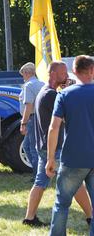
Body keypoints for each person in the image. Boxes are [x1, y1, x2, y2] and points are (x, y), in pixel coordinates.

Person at [22, 61, 92, 227]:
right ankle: (91, 216)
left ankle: (29, 217)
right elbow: (67, 117)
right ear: (53, 74)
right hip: (54, 149)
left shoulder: (44, 91)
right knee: (75, 183)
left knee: (40, 182)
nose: (67, 76)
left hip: (44, 147)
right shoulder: (52, 95)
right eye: (64, 74)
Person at [46, 55, 94, 235]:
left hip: (72, 159)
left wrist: (50, 158)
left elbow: (53, 127)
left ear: (74, 71)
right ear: (92, 70)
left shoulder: (64, 94)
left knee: (61, 204)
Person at [19, 62, 44, 179]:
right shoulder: (42, 84)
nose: (22, 76)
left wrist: (23, 122)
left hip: (32, 119)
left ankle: (38, 175)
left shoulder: (28, 86)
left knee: (32, 148)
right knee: (29, 146)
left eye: (22, 73)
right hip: (40, 118)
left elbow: (28, 106)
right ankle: (39, 172)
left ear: (27, 73)